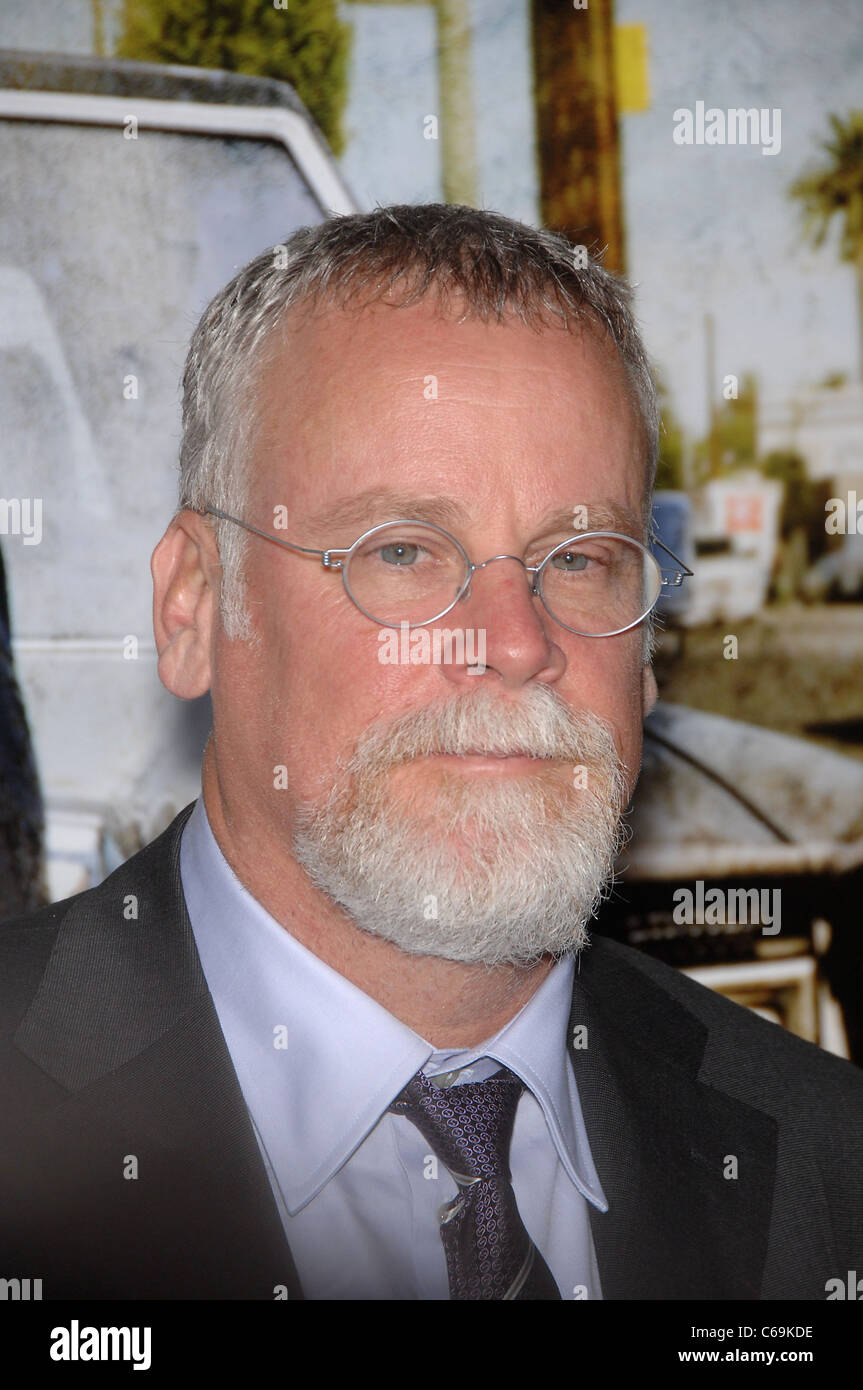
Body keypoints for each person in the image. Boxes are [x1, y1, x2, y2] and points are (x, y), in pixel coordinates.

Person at [1, 203, 861, 1301]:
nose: (514, 642)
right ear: (194, 607)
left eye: (581, 557)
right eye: (403, 550)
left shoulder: (827, 1166)